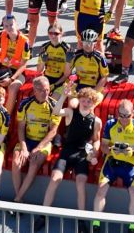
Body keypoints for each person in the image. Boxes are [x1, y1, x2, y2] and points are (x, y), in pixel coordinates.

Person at [37, 86, 101, 231]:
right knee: (55, 179)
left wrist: (94, 152)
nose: (86, 103)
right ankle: (43, 215)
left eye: (89, 101)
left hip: (81, 155)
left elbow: (96, 140)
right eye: (83, 100)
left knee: (81, 183)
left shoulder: (96, 121)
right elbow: (56, 111)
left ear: (93, 103)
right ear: (79, 100)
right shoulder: (70, 112)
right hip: (66, 152)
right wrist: (64, 96)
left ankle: (81, 220)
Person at [92, 99, 134, 233]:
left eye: (127, 116)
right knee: (100, 191)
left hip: (130, 164)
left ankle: (133, 227)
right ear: (117, 113)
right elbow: (103, 146)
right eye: (121, 115)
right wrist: (111, 150)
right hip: (112, 162)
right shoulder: (110, 124)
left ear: (133, 113)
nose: (124, 119)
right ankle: (96, 224)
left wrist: (132, 152)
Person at [11, 76, 61, 205]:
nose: (46, 93)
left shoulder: (54, 105)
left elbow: (53, 131)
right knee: (16, 162)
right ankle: (18, 198)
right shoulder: (25, 104)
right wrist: (24, 148)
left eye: (47, 90)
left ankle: (17, 200)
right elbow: (20, 128)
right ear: (34, 90)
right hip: (27, 139)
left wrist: (38, 148)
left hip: (44, 143)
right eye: (42, 90)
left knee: (33, 164)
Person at [36, 22, 72, 98]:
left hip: (61, 80)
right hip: (47, 78)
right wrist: (43, 62)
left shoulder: (67, 49)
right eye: (50, 33)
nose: (53, 36)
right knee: (38, 97)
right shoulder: (44, 47)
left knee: (53, 99)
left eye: (56, 33)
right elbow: (39, 70)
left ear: (61, 34)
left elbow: (67, 74)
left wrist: (55, 85)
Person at [70, 29, 109, 93]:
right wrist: (68, 59)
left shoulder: (100, 58)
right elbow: (68, 73)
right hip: (79, 86)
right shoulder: (76, 56)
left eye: (90, 43)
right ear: (82, 42)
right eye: (85, 42)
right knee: (70, 100)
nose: (87, 45)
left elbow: (105, 77)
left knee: (89, 100)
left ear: (95, 43)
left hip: (95, 87)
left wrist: (93, 92)